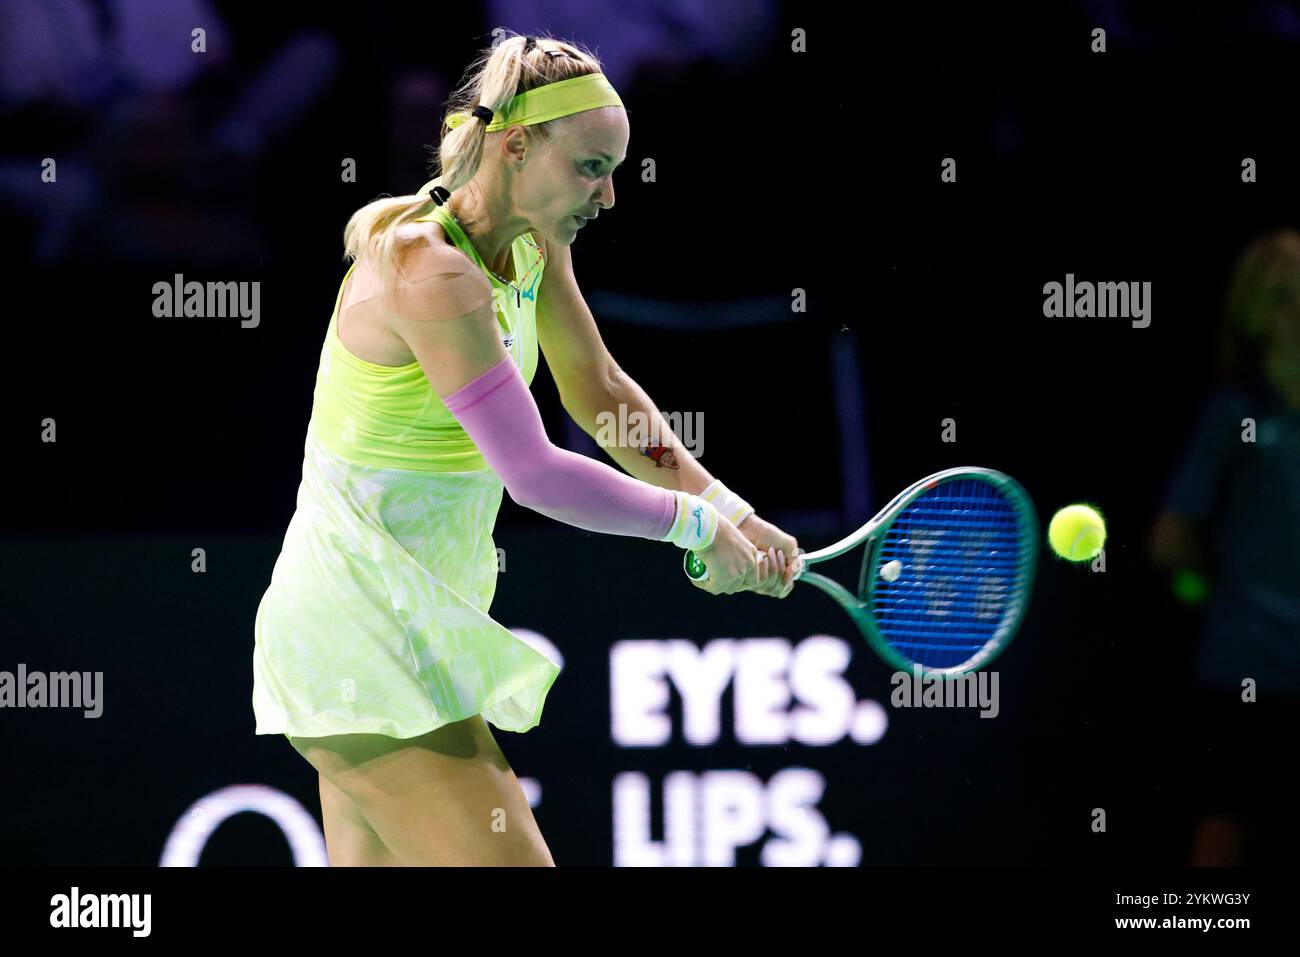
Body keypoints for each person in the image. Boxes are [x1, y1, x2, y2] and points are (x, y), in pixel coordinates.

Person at [251, 32, 802, 866]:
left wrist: (731, 510)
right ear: (517, 146)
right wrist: (692, 528)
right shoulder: (427, 270)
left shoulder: (532, 247)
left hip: (401, 630)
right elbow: (534, 471)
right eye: (591, 167)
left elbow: (602, 391)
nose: (611, 195)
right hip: (363, 631)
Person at [1148, 227, 1300, 866]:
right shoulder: (1236, 418)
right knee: (1225, 831)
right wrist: (1219, 582)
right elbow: (1170, 540)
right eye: (1287, 297)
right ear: (1262, 314)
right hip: (1248, 675)